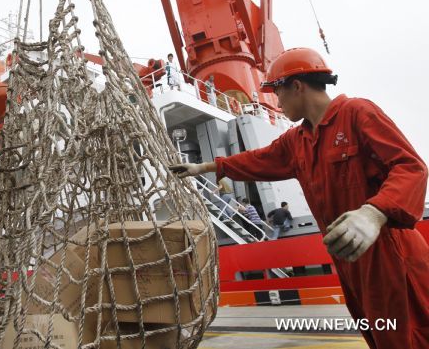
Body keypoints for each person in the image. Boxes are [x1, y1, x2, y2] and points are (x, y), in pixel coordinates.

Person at [170, 47, 429, 349]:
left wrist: (374, 213)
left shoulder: (357, 113)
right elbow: (258, 158)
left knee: (410, 333)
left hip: (388, 252)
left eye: (277, 92)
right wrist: (204, 166)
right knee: (378, 333)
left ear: (297, 86)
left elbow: (410, 167)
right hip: (349, 258)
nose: (276, 101)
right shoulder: (298, 141)